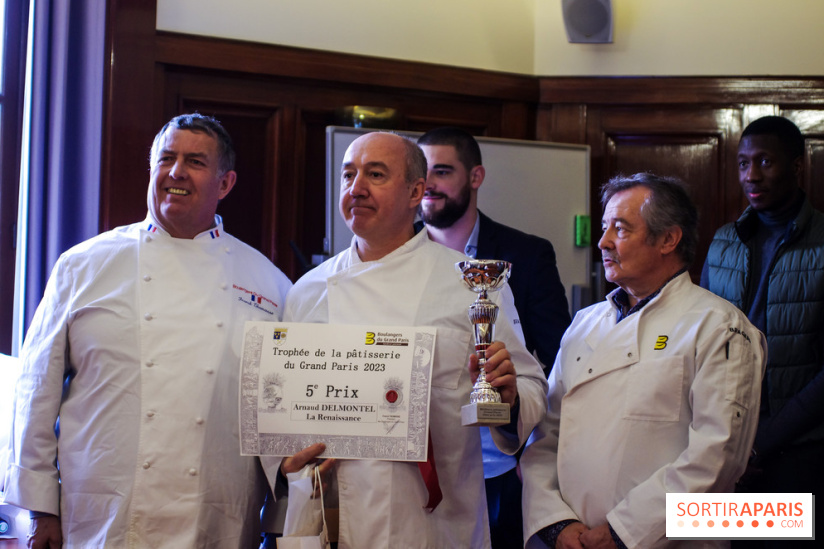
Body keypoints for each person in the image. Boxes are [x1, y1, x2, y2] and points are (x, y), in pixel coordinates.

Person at [1, 113, 293, 548]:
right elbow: (35, 392)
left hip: (217, 515)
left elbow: (281, 417)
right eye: (166, 159)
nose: (176, 171)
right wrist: (40, 509)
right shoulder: (84, 266)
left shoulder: (271, 285)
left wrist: (279, 521)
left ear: (225, 183)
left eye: (195, 161)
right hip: (101, 512)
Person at [276, 131, 548, 548]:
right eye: (348, 175)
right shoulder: (307, 291)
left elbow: (530, 386)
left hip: (433, 521)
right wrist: (285, 460)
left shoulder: (468, 281)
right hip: (334, 513)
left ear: (415, 192)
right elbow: (281, 405)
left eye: (376, 174)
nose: (356, 188)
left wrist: (506, 396)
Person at [521, 173, 766, 548]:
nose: (602, 242)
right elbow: (546, 435)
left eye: (620, 229)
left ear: (668, 238)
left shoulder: (720, 327)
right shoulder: (585, 322)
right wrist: (556, 524)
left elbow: (718, 457)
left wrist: (621, 533)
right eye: (604, 228)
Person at [417, 127, 570, 548]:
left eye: (443, 171)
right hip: (419, 464)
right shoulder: (397, 253)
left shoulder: (526, 254)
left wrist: (533, 450)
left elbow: (557, 356)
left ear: (476, 177)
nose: (429, 183)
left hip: (503, 461)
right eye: (422, 171)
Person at [701, 116, 824, 545]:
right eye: (742, 163)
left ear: (797, 166)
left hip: (797, 452)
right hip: (719, 447)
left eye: (766, 161)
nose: (751, 175)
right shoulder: (722, 242)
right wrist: (728, 443)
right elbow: (696, 343)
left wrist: (760, 444)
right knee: (709, 541)